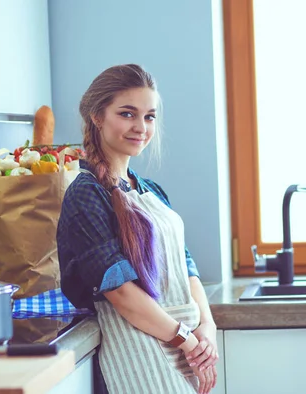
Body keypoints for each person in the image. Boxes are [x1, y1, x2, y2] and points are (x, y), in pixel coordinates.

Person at [57, 64, 219, 394]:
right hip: (138, 351)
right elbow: (121, 293)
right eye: (128, 114)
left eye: (149, 117)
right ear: (97, 117)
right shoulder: (86, 195)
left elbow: (188, 268)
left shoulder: (152, 191)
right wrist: (187, 339)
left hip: (183, 346)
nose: (141, 127)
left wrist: (207, 327)